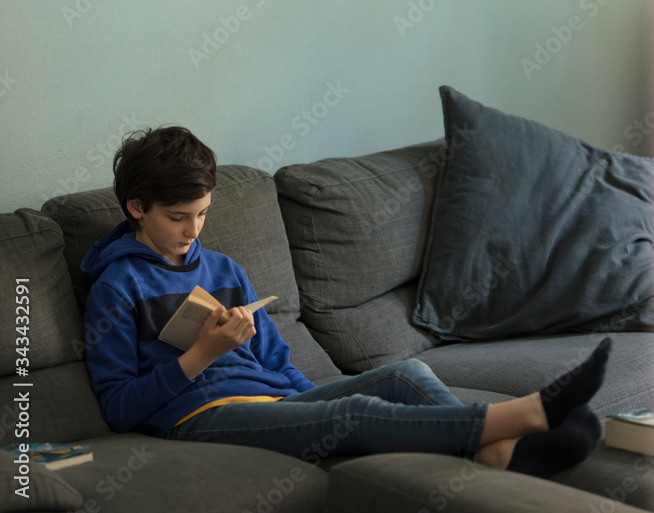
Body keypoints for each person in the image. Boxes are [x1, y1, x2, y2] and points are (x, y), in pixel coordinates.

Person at [81, 125, 611, 478]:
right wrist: (201, 355)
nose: (193, 230)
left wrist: (315, 404)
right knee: (356, 414)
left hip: (276, 405)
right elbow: (119, 408)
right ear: (137, 208)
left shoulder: (225, 269)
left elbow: (277, 362)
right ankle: (526, 417)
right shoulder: (117, 285)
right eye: (178, 217)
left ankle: (497, 456)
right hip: (198, 419)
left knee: (403, 376)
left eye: (202, 213)